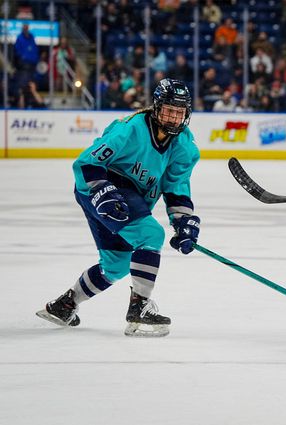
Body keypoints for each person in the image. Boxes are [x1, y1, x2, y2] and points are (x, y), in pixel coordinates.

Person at [36, 79, 201, 338]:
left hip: (131, 197)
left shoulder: (184, 147)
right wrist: (101, 189)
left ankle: (65, 305)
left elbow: (176, 186)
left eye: (180, 112)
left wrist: (183, 221)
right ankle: (140, 309)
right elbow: (87, 162)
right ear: (156, 108)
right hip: (101, 187)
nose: (174, 118)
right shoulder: (130, 129)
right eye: (169, 110)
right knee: (151, 235)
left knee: (117, 265)